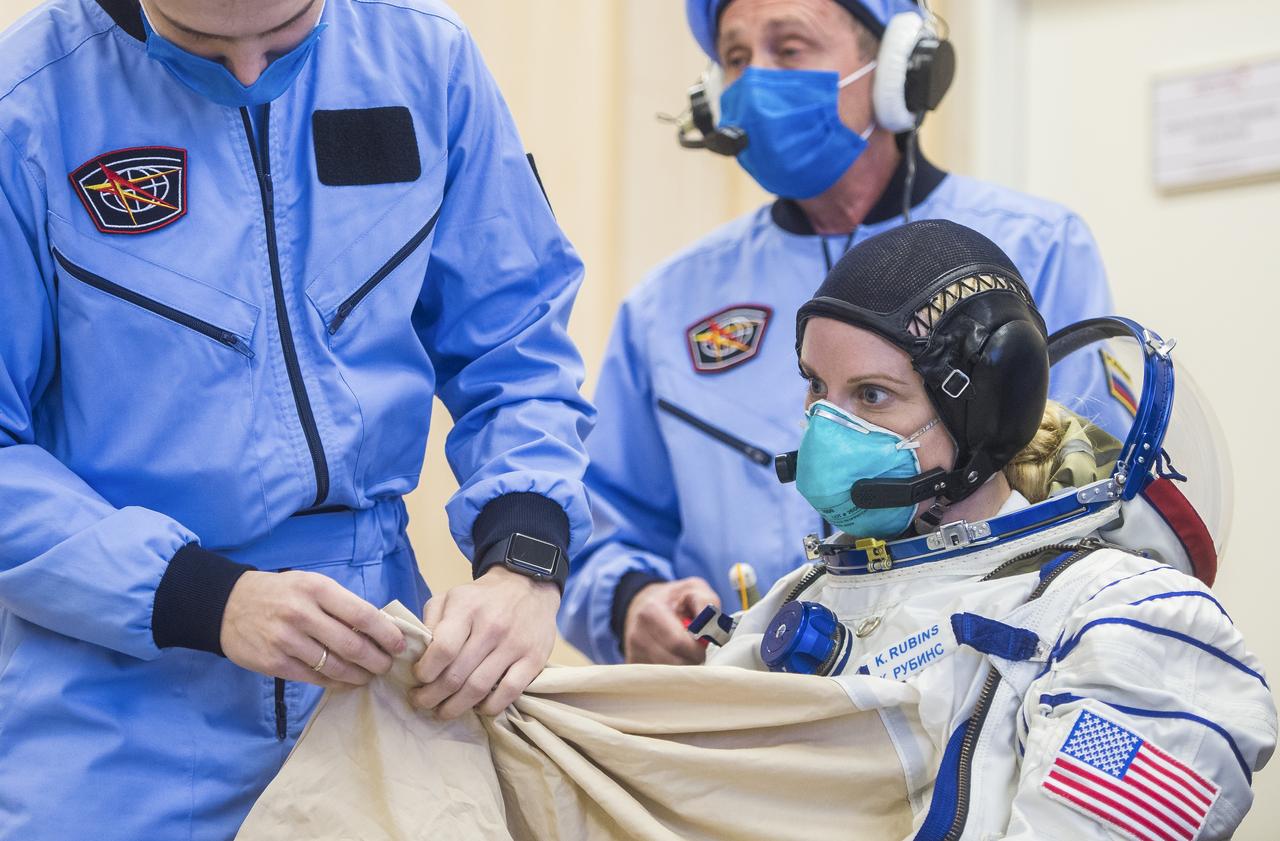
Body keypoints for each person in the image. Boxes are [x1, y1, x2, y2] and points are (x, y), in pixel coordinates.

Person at [0, 1, 592, 838]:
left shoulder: (428, 63)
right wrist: (201, 597)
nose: (250, 75)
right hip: (116, 701)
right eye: (201, 44)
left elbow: (516, 342)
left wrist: (526, 560)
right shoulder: (26, 105)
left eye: (285, 39)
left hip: (378, 681)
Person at [559, 0, 1122, 666]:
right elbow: (598, 523)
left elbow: (1097, 495)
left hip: (976, 685)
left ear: (895, 67)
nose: (754, 81)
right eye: (734, 58)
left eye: (789, 47)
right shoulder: (667, 305)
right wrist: (630, 600)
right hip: (745, 698)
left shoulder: (1037, 249)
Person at [700, 219, 1277, 837]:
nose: (825, 428)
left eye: (871, 395)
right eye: (816, 386)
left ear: (982, 410)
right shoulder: (798, 596)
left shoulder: (1131, 620)